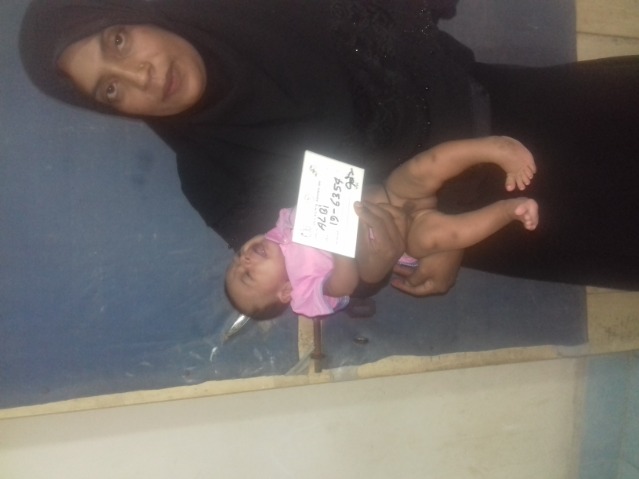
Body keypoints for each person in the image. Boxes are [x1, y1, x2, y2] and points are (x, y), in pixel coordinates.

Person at [19, 0, 639, 296]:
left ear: (139, 13)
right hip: (505, 228)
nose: (140, 76)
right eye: (110, 90)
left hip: (528, 110)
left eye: (119, 42)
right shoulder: (214, 180)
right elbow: (320, 277)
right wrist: (386, 256)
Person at [226, 136, 539, 319]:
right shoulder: (303, 292)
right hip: (405, 240)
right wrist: (338, 247)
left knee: (424, 165)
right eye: (248, 275)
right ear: (284, 292)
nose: (245, 259)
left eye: (239, 257)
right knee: (448, 234)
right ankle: (508, 211)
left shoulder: (282, 225)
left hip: (391, 192)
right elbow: (344, 285)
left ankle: (494, 148)